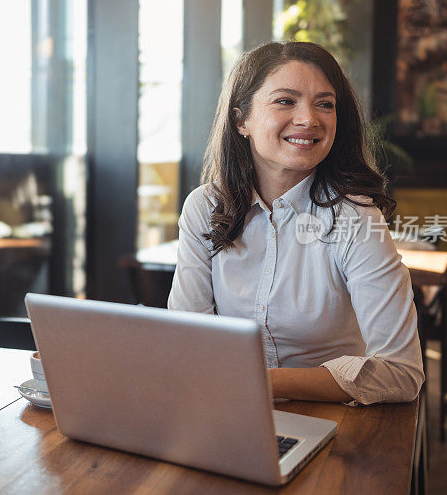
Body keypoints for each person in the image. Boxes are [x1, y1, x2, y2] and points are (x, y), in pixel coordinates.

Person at [168, 41, 424, 405]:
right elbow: (187, 338)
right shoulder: (204, 207)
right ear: (242, 121)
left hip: (333, 419)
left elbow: (402, 372)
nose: (309, 119)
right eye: (285, 101)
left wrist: (263, 383)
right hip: (225, 406)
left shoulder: (355, 218)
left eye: (325, 104)